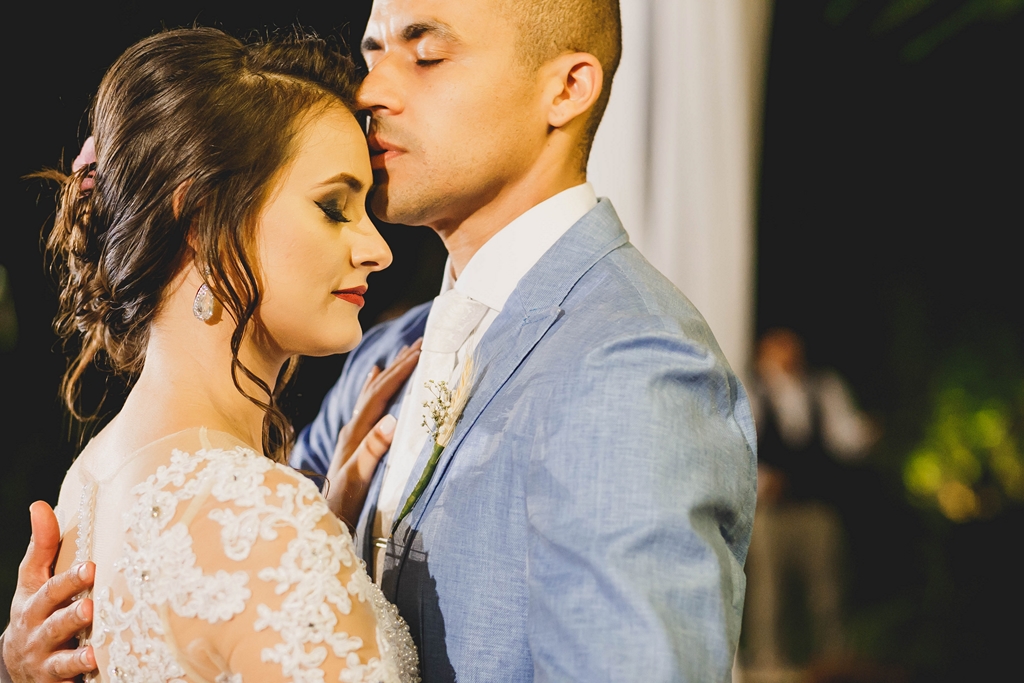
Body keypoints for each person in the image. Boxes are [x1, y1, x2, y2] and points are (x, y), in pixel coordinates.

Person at [6, 1, 759, 680]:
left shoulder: (631, 370)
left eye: (425, 53)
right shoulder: (378, 355)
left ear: (566, 89)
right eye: (372, 51)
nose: (369, 91)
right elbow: (231, 560)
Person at [2, 28, 422, 683]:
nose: (378, 248)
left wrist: (325, 536)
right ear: (200, 218)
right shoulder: (261, 526)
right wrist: (299, 541)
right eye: (334, 207)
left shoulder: (90, 478)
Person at [744, 328, 878, 671]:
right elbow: (740, 445)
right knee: (767, 592)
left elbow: (844, 437)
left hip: (816, 504)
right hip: (770, 511)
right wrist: (762, 483)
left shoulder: (823, 388)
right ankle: (768, 662)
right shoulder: (752, 391)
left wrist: (865, 434)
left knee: (827, 587)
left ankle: (832, 658)